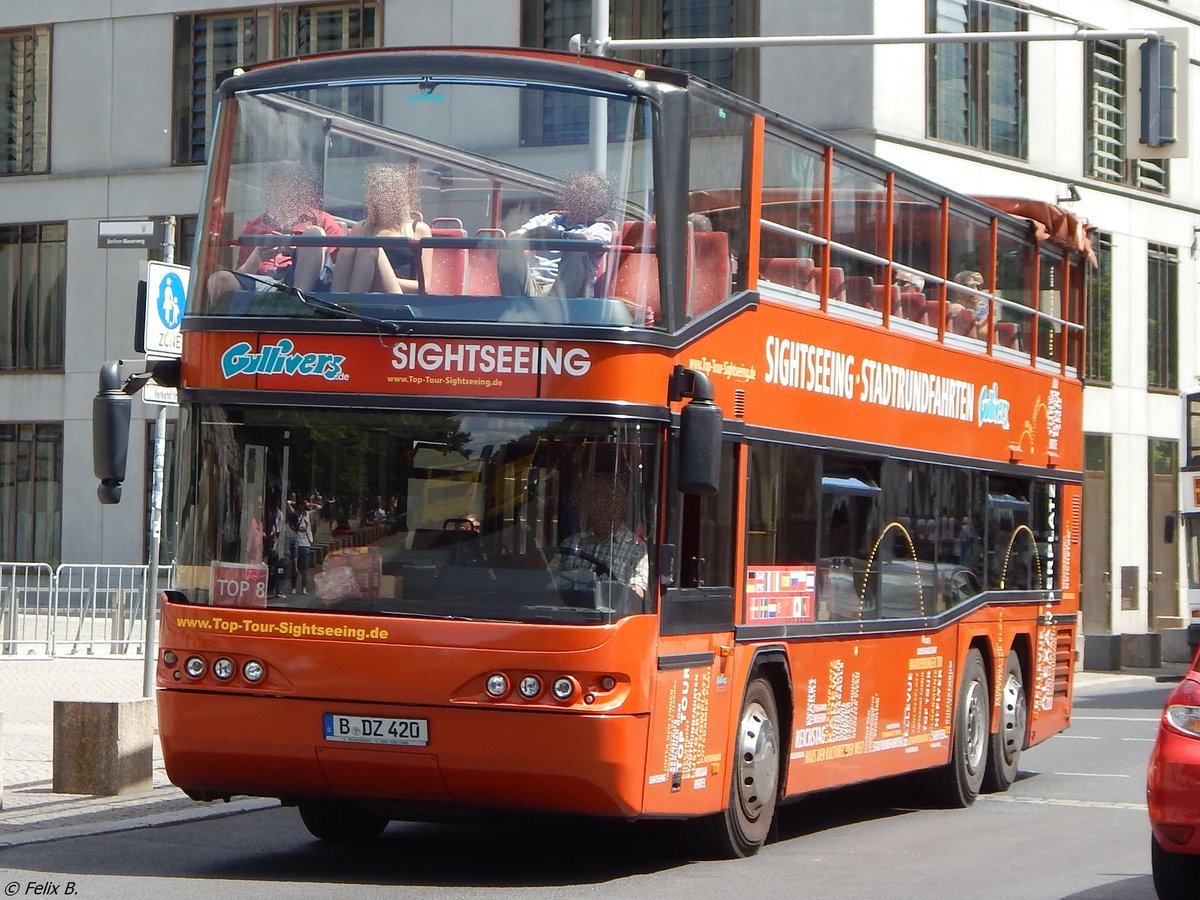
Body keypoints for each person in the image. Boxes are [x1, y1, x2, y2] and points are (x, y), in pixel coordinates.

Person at [207, 162, 344, 301]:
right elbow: (241, 275)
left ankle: (296, 302)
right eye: (277, 185)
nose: (284, 191)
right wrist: (257, 255)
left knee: (314, 234)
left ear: (303, 190)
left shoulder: (323, 220)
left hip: (305, 286)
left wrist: (300, 252)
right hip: (264, 283)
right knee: (219, 280)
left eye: (290, 185)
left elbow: (339, 268)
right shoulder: (253, 225)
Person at [499, 172, 616, 298]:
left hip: (567, 294)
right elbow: (513, 236)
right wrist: (528, 235)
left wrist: (559, 236)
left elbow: (596, 244)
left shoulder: (599, 228)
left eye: (580, 189)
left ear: (595, 201)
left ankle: (559, 309)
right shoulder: (545, 220)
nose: (572, 190)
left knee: (578, 248)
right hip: (531, 286)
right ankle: (511, 305)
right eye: (574, 187)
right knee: (509, 249)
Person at [331, 163, 432, 294]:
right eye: (378, 193)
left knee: (371, 247)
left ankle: (351, 304)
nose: (383, 199)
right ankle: (335, 301)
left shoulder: (418, 229)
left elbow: (425, 286)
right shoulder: (361, 228)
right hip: (365, 289)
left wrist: (379, 277)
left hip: (399, 294)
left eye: (389, 193)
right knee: (348, 249)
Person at [556, 475, 648, 598]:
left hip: (612, 615)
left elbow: (638, 592)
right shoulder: (570, 543)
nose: (602, 506)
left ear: (620, 507)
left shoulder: (636, 547)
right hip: (568, 611)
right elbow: (551, 581)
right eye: (597, 501)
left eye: (609, 501)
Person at [288, 508, 313, 596]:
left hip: (306, 545)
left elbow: (311, 527)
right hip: (297, 544)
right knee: (295, 568)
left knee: (304, 569)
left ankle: (304, 588)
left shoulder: (307, 517)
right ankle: (293, 587)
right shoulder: (295, 517)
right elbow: (292, 527)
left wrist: (306, 519)